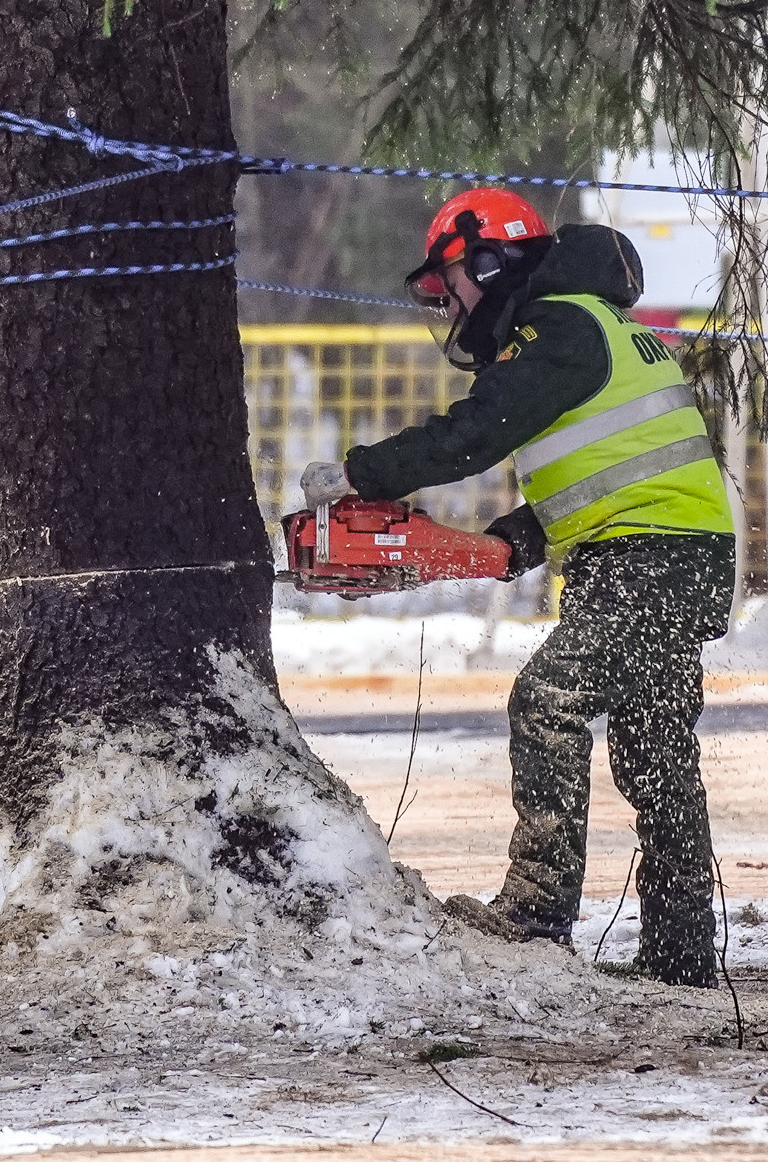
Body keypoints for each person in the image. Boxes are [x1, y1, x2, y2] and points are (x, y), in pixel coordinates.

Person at [299, 187, 736, 985]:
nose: (452, 300)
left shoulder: (560, 329)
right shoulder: (601, 327)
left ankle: (536, 914)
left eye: (454, 280)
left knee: (548, 701)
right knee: (657, 751)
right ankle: (682, 957)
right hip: (675, 553)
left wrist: (361, 472)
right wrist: (512, 543)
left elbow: (478, 431)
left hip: (644, 558)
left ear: (493, 259)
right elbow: (616, 466)